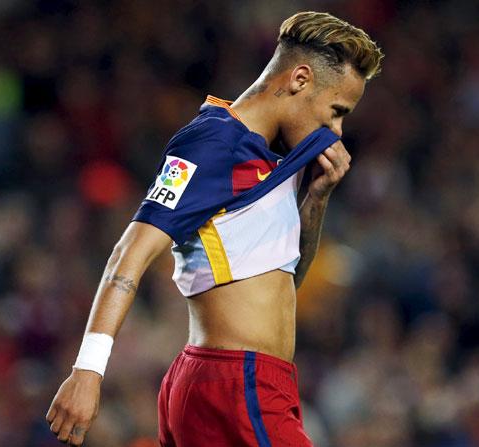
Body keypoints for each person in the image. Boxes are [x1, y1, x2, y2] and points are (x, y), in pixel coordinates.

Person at [46, 11, 383, 446]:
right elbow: (128, 253)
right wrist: (88, 370)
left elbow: (287, 282)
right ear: (300, 79)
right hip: (234, 384)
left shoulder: (281, 156)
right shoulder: (211, 144)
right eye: (336, 112)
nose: (337, 131)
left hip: (250, 382)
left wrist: (316, 199)